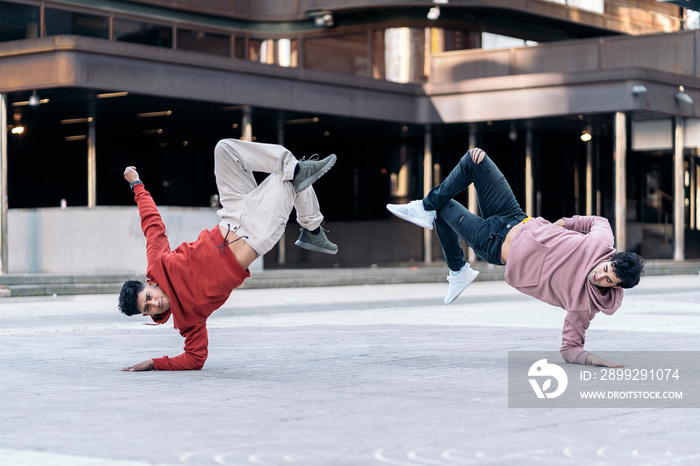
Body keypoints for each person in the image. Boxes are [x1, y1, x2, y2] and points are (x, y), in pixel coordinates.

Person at [387, 147, 645, 367]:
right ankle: (433, 225)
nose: (600, 275)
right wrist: (566, 223)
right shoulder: (602, 243)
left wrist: (591, 359)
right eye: (606, 268)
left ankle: (456, 266)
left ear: (615, 287)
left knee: (442, 208)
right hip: (513, 215)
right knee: (475, 158)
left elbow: (570, 348)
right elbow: (598, 220)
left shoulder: (584, 306)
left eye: (608, 280)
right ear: (610, 258)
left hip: (492, 243)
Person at [118, 138, 337, 371]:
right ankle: (312, 227)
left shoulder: (158, 264)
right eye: (148, 308)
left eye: (149, 297)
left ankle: (310, 223)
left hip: (232, 213)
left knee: (224, 149)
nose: (155, 303)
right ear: (147, 315)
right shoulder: (188, 320)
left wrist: (137, 184)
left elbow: (152, 224)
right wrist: (155, 363)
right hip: (257, 232)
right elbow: (195, 358)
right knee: (290, 179)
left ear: (149, 284)